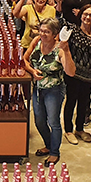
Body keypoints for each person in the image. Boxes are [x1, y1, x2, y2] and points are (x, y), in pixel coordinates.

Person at [24, 18, 76, 166]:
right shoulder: (36, 42)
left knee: (53, 121)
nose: (43, 34)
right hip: (38, 88)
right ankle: (48, 144)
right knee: (39, 121)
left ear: (55, 34)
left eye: (47, 31)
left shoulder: (59, 50)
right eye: (41, 30)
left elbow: (70, 72)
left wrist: (66, 51)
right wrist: (33, 71)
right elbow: (24, 60)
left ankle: (54, 152)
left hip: (54, 89)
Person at [59, 6, 91, 145]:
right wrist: (59, 3)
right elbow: (60, 19)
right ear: (80, 15)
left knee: (84, 103)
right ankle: (69, 130)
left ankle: (80, 129)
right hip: (73, 74)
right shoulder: (73, 30)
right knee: (71, 101)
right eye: (85, 14)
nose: (88, 17)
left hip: (89, 76)